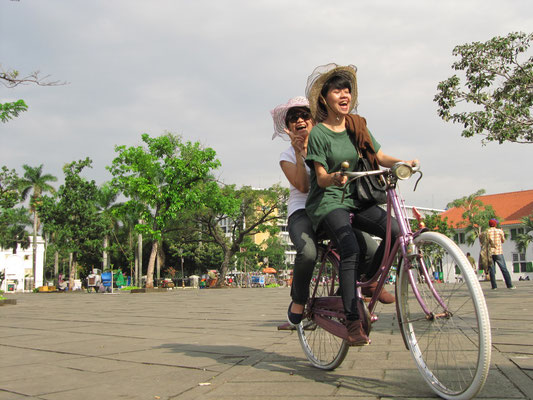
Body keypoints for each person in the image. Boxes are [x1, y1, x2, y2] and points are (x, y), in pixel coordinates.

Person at [304, 63, 418, 345]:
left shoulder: (357, 125)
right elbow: (319, 179)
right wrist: (334, 177)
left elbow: (379, 156)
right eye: (337, 90)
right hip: (329, 202)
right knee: (351, 248)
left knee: (395, 231)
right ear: (324, 98)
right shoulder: (318, 134)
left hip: (357, 197)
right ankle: (353, 321)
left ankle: (368, 282)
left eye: (347, 90)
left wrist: (404, 162)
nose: (344, 95)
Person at [270, 97, 392, 328]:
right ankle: (298, 300)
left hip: (332, 204)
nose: (299, 121)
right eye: (293, 118)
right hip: (303, 212)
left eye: (304, 115)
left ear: (314, 118)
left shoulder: (328, 142)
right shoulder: (286, 156)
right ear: (288, 127)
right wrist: (299, 153)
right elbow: (303, 187)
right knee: (307, 253)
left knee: (370, 248)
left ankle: (350, 291)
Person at [487, 219, 515, 290]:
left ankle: (494, 286)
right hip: (498, 252)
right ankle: (509, 285)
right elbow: (503, 241)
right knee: (504, 269)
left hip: (490, 252)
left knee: (492, 270)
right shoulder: (499, 231)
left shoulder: (486, 232)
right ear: (495, 224)